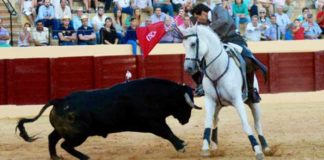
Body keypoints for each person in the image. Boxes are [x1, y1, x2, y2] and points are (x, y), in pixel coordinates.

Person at [190, 2, 267, 103]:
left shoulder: (218, 9)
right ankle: (201, 85)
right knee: (199, 59)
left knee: (247, 60)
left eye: (198, 17)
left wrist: (209, 28)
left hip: (234, 39)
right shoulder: (204, 22)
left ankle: (251, 91)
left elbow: (224, 20)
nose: (198, 20)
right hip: (220, 43)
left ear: (204, 13)